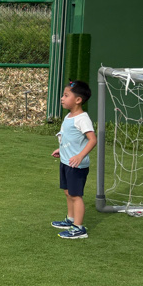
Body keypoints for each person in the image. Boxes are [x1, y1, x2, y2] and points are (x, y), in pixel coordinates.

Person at [51, 80, 97, 239]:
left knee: (76, 195)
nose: (62, 98)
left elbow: (92, 140)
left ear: (78, 100)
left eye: (66, 95)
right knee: (68, 192)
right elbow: (69, 137)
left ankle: (79, 228)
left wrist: (80, 155)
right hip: (66, 162)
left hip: (76, 166)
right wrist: (61, 149)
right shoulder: (69, 116)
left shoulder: (82, 119)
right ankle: (70, 220)